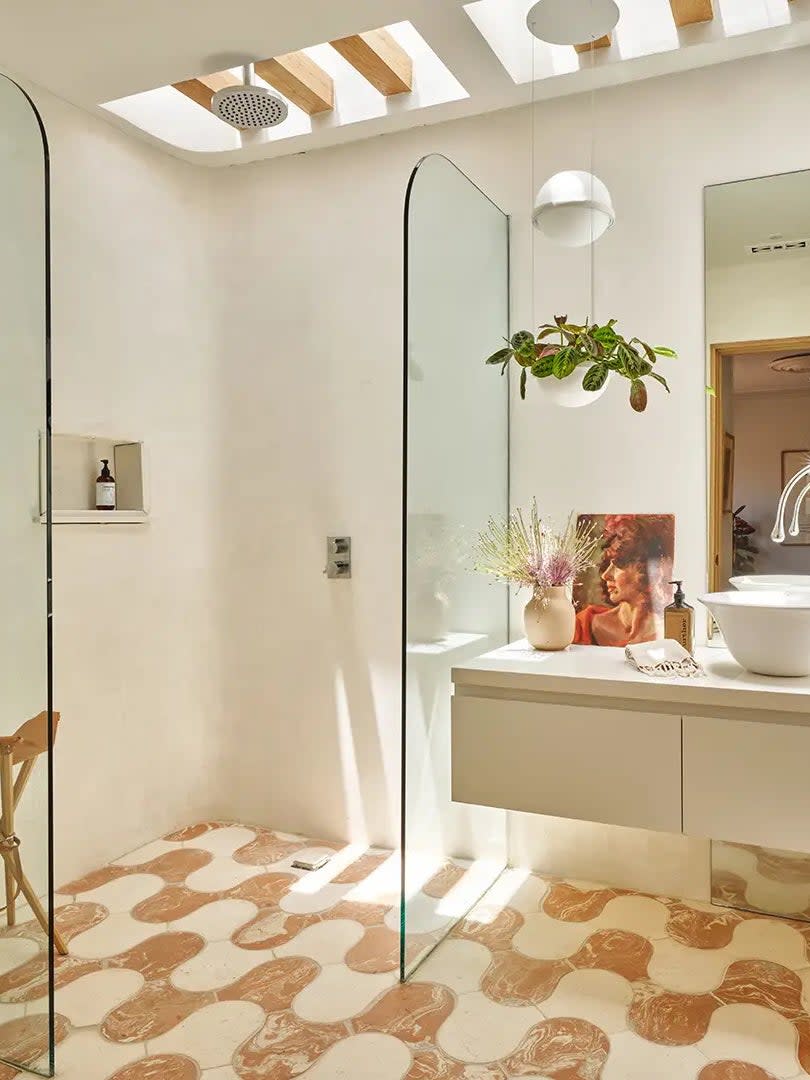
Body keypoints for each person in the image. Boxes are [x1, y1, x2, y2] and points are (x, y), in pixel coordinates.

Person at [574, 514, 674, 646]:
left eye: (618, 565)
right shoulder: (583, 625)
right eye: (608, 564)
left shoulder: (669, 633)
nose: (605, 575)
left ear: (646, 568)